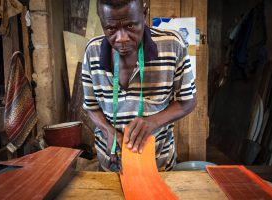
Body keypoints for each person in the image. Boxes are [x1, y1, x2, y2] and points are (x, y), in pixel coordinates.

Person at [82, 0, 197, 172]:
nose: (121, 38)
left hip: (159, 167)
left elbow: (188, 101)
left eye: (130, 26)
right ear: (102, 22)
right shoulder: (92, 52)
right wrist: (107, 131)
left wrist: (154, 122)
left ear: (144, 15)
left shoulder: (173, 46)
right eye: (111, 28)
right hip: (109, 168)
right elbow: (91, 107)